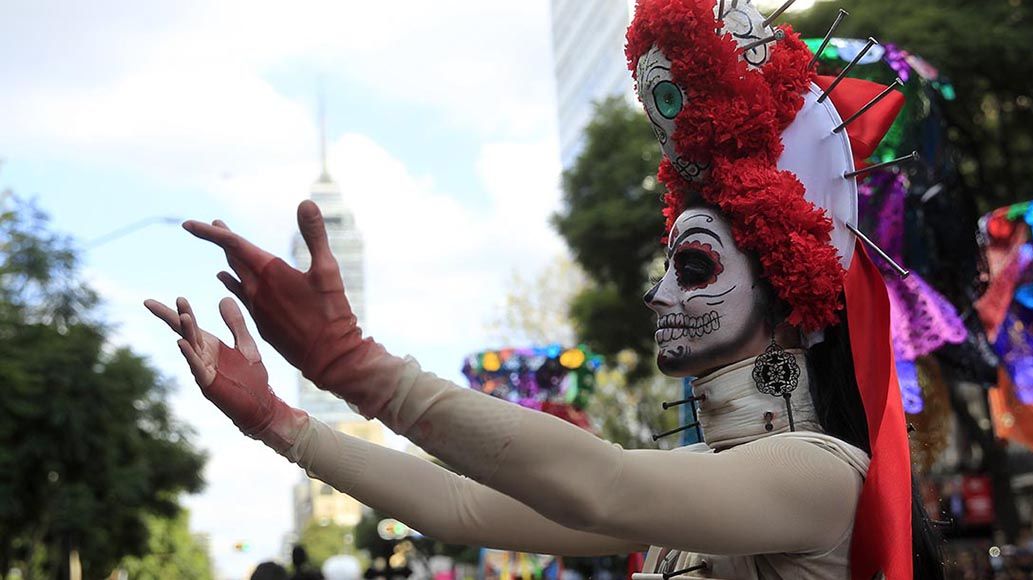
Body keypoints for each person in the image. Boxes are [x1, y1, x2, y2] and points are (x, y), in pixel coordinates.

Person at [146, 1, 943, 578]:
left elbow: (601, 487)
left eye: (693, 267)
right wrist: (281, 426)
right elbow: (457, 509)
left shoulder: (824, 474)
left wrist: (352, 365)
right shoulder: (707, 476)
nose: (659, 296)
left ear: (786, 286)